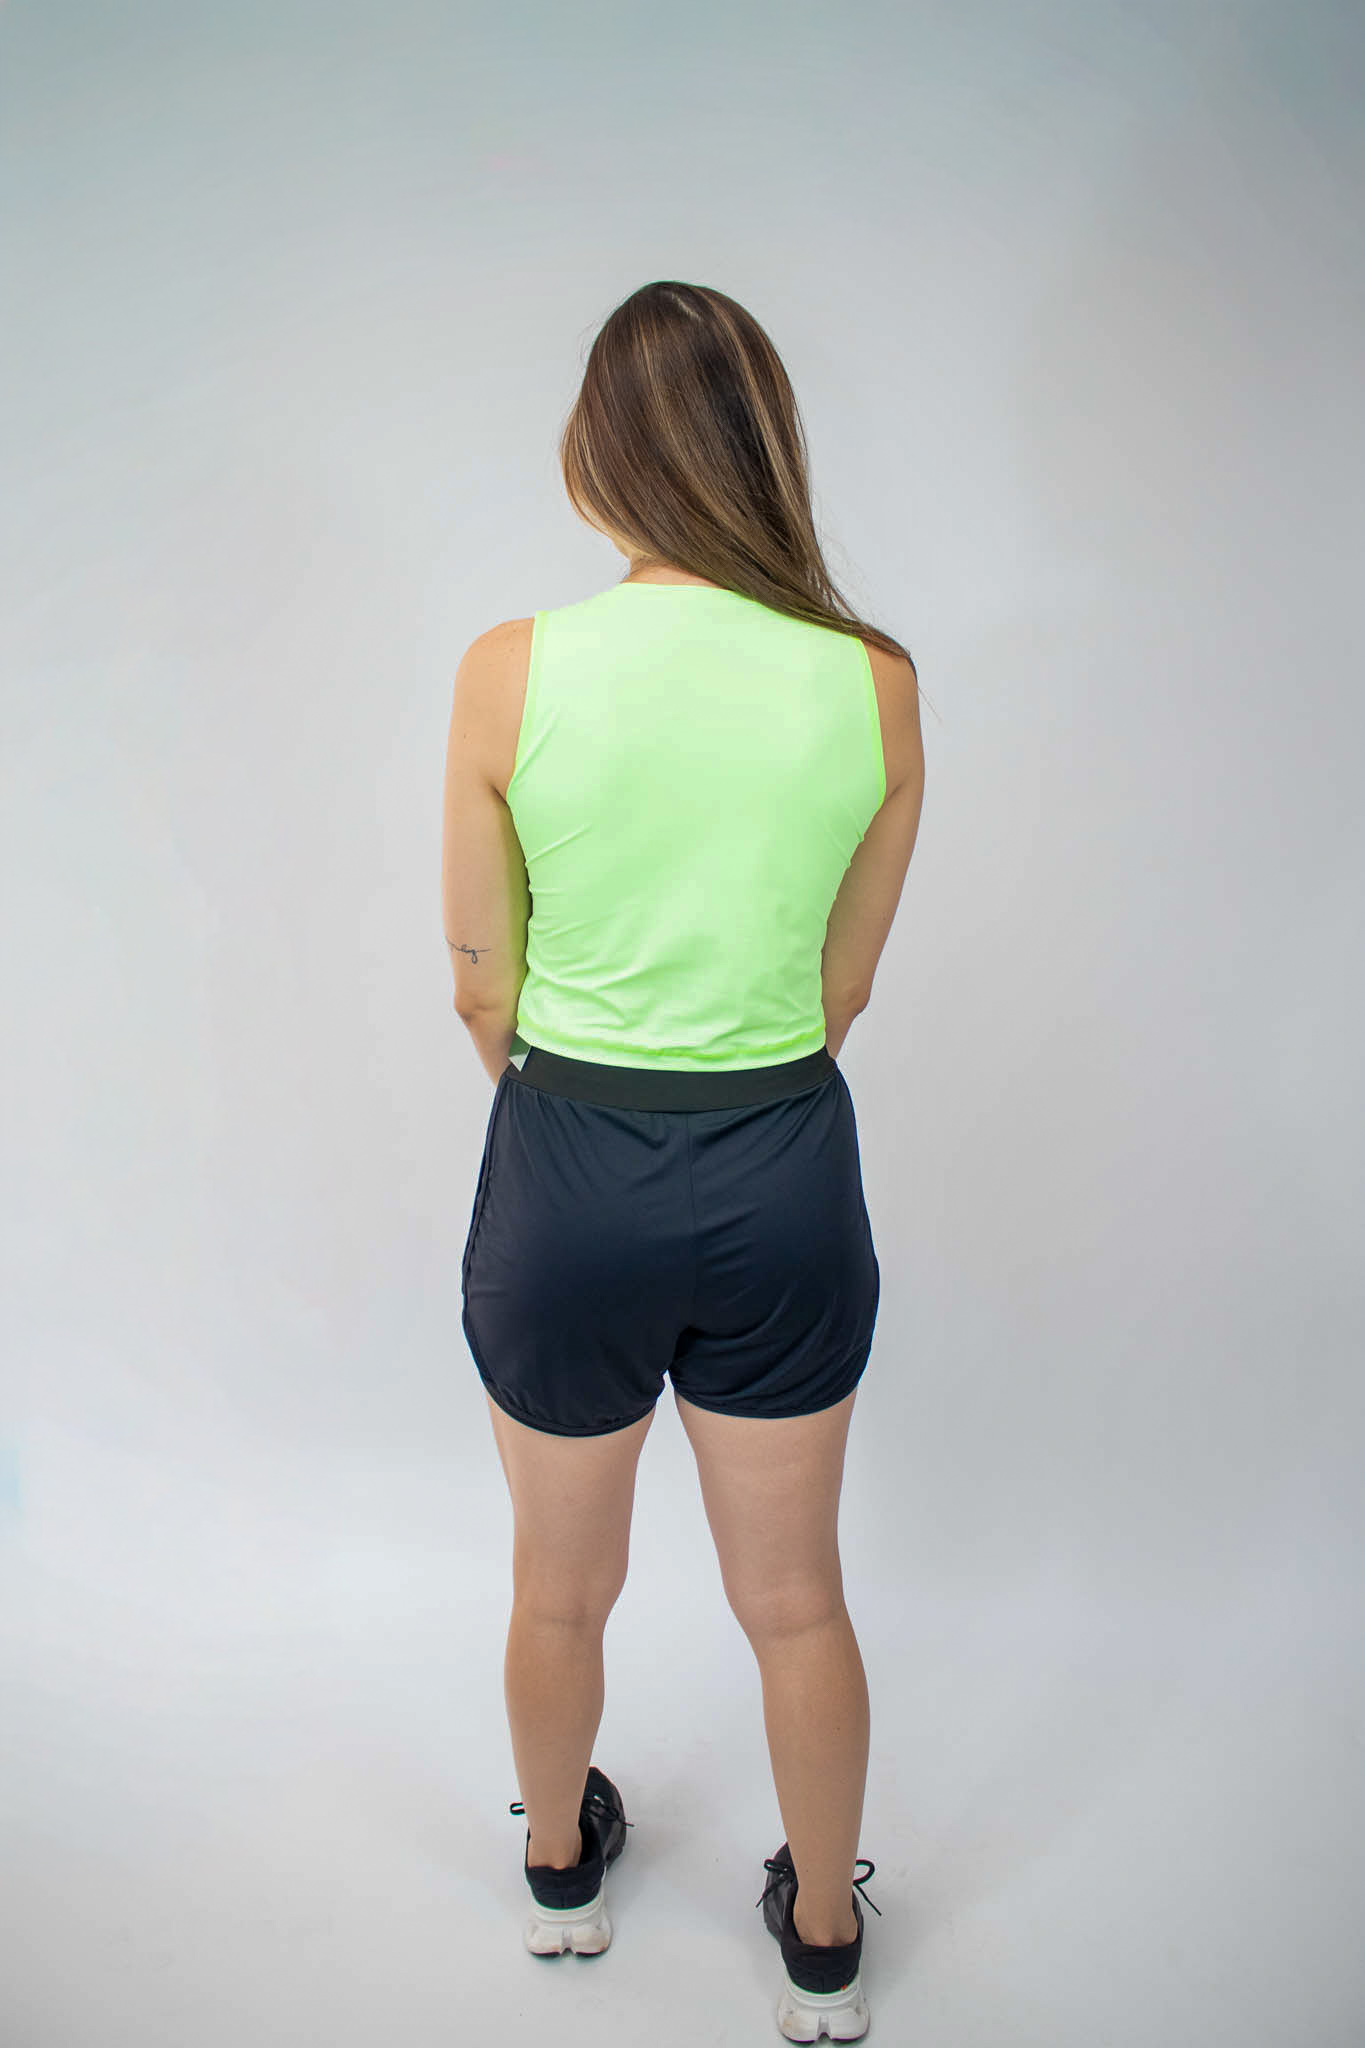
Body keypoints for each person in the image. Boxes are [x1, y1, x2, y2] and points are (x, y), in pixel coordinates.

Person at [440, 279, 925, 2041]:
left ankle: (560, 1872)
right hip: (781, 1160)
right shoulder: (872, 683)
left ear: (599, 454)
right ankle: (822, 1942)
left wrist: (580, 1111)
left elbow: (478, 981)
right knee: (795, 1599)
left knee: (557, 1586)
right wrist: (734, 1094)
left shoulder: (511, 668)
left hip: (569, 1159)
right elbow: (841, 986)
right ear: (761, 446)